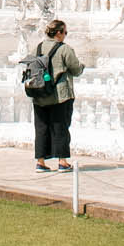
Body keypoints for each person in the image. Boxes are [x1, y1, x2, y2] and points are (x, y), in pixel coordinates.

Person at [31, 18, 84, 173]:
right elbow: (75, 69)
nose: (65, 35)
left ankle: (40, 162)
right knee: (60, 127)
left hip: (39, 94)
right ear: (59, 33)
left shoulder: (38, 48)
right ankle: (62, 161)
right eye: (65, 32)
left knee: (41, 128)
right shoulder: (64, 49)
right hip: (60, 95)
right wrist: (82, 67)